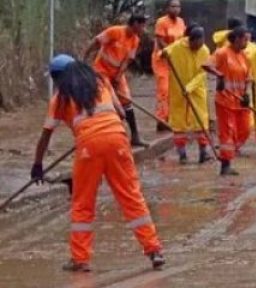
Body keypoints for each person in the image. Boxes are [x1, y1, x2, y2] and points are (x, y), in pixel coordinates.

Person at [31, 57, 165, 272]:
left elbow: (46, 135)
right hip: (118, 141)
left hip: (88, 148)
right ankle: (154, 249)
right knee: (131, 196)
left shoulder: (60, 98)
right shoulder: (101, 82)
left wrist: (37, 165)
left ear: (58, 77)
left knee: (83, 203)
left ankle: (80, 259)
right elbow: (121, 114)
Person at [84, 13, 148, 147]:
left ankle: (135, 136)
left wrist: (118, 76)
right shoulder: (115, 31)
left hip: (117, 72)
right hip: (101, 71)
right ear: (135, 23)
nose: (144, 29)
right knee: (111, 101)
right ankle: (105, 134)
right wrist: (85, 59)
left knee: (127, 100)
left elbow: (127, 60)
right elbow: (95, 42)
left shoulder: (135, 40)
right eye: (142, 25)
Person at [202, 25, 252, 176]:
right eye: (245, 39)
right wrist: (219, 75)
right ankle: (226, 164)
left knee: (245, 129)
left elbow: (249, 77)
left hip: (240, 101)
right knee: (227, 132)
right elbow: (206, 65)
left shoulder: (244, 56)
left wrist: (247, 94)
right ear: (236, 39)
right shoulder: (222, 52)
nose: (247, 43)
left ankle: (230, 154)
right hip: (225, 101)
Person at [162, 25, 212, 164]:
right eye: (196, 44)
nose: (198, 47)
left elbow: (203, 73)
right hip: (178, 88)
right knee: (179, 121)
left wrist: (190, 87)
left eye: (201, 44)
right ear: (191, 40)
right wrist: (164, 53)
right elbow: (164, 52)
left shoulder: (205, 51)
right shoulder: (178, 46)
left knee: (201, 120)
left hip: (197, 89)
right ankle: (182, 154)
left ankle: (204, 152)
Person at [151, 0, 186, 132]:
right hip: (162, 60)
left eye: (178, 7)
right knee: (163, 90)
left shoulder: (181, 22)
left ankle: (170, 117)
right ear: (167, 8)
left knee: (173, 90)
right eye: (173, 6)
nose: (175, 9)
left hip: (175, 61)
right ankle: (161, 120)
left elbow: (182, 41)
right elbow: (160, 41)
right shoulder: (161, 22)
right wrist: (169, 52)